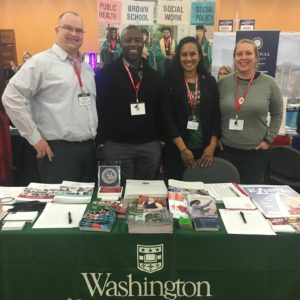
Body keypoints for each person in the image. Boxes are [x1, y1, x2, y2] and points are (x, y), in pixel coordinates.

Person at [2, 11, 98, 183]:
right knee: (61, 207)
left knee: (88, 206)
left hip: (89, 149)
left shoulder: (86, 68)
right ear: (57, 30)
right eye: (68, 28)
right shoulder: (40, 63)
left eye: (79, 30)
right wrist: (35, 138)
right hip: (58, 151)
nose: (74, 34)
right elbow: (11, 97)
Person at [95, 25, 163, 185]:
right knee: (117, 195)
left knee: (144, 196)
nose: (133, 44)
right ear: (120, 42)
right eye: (128, 40)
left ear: (143, 43)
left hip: (149, 148)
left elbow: (161, 109)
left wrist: (160, 142)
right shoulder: (105, 74)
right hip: (116, 147)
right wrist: (101, 143)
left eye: (138, 40)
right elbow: (99, 108)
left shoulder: (154, 76)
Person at [217, 39, 283, 184]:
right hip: (225, 151)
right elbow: (214, 113)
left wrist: (268, 139)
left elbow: (277, 114)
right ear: (234, 58)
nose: (243, 57)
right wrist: (215, 137)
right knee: (224, 193)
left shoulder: (269, 83)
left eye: (248, 53)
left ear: (256, 57)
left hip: (255, 154)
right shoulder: (223, 83)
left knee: (249, 197)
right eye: (239, 54)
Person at [162, 36, 220, 181]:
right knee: (176, 195)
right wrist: (183, 149)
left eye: (193, 54)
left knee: (202, 197)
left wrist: (212, 146)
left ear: (199, 56)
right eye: (184, 54)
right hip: (177, 151)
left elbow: (216, 115)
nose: (189, 58)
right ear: (179, 57)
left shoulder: (210, 81)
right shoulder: (169, 82)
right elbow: (167, 118)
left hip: (205, 151)